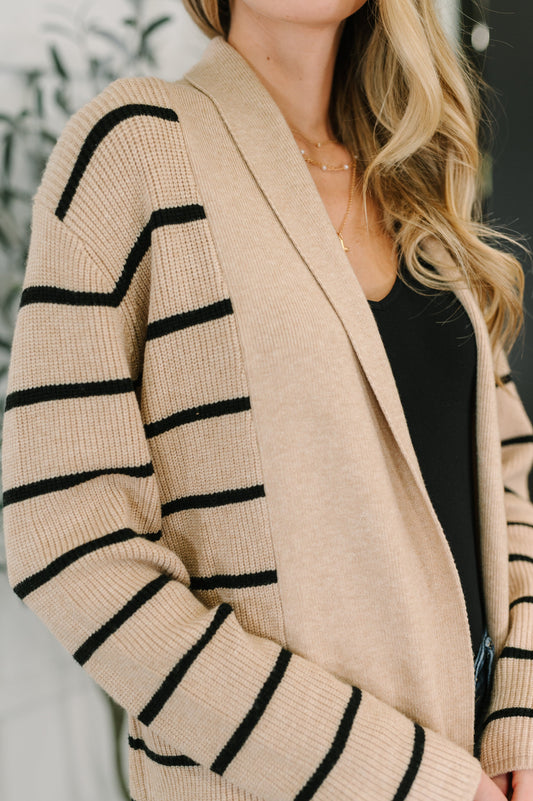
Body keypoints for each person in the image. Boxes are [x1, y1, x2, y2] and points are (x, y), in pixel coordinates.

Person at [3, 1, 533, 799]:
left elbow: (504, 467)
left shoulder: (413, 173)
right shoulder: (134, 150)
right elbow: (70, 540)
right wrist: (404, 781)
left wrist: (518, 711)